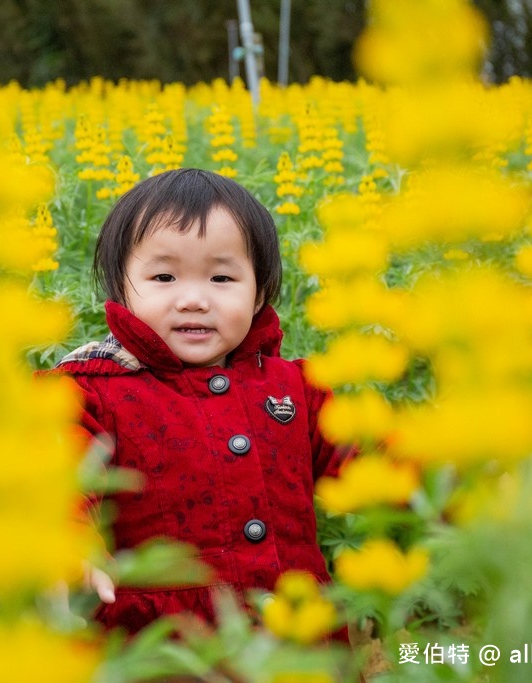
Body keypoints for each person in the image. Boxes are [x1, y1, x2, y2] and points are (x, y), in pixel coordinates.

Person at [56, 168, 354, 637]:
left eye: (220, 277)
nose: (193, 299)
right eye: (163, 276)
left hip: (298, 639)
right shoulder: (94, 390)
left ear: (259, 293)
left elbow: (372, 460)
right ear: (121, 289)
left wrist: (464, 472)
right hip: (165, 648)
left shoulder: (295, 388)